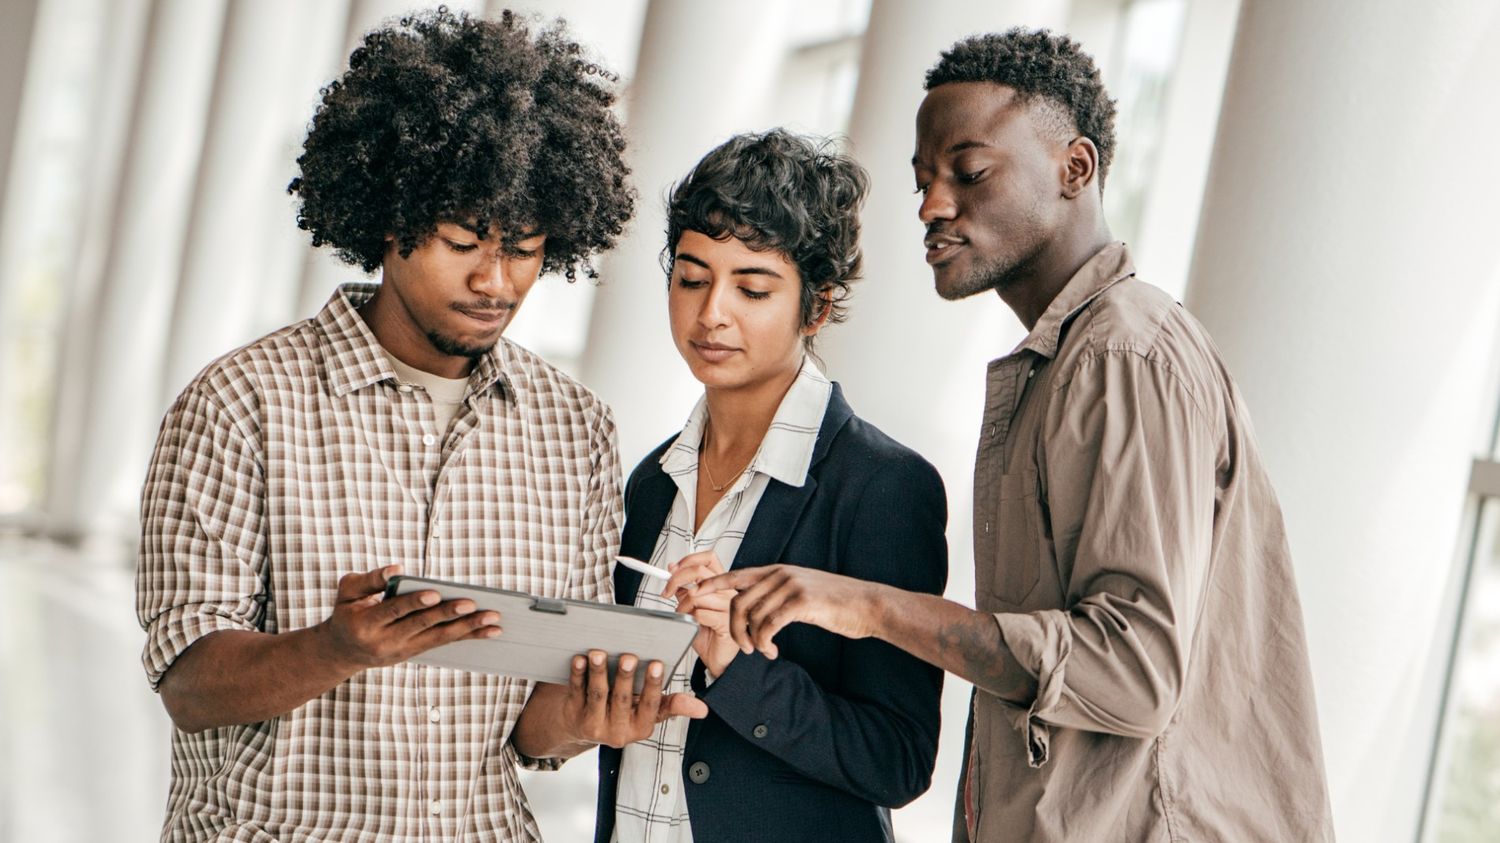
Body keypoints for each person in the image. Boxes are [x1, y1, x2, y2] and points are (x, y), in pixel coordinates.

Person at [699, 29, 1336, 842]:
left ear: (1076, 169)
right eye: (923, 181)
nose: (932, 205)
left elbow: (1131, 670)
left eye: (969, 173)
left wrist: (863, 605)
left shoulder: (1123, 353)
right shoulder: (1059, 363)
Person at [135, 10, 701, 841]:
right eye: (464, 240)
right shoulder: (240, 402)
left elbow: (532, 729)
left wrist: (595, 717)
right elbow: (188, 687)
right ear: (389, 221)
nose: (495, 280)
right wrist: (335, 647)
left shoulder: (573, 427)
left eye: (525, 248)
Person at [592, 130, 949, 843]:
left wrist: (737, 667)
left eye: (752, 287)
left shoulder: (884, 486)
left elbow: (898, 759)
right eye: (691, 277)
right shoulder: (650, 481)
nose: (711, 312)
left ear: (815, 309)